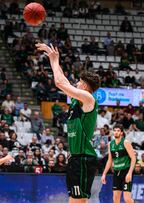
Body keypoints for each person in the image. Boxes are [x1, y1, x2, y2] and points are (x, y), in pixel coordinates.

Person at [36, 43, 100, 202]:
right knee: (74, 200)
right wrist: (53, 60)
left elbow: (60, 83)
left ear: (84, 85)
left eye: (78, 82)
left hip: (84, 159)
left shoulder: (88, 99)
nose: (76, 84)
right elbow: (62, 80)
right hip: (76, 158)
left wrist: (54, 61)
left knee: (78, 200)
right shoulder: (76, 102)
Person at [101, 124, 136, 203]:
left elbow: (133, 158)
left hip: (126, 171)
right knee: (115, 199)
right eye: (115, 130)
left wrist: (130, 173)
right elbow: (110, 160)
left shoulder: (126, 142)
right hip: (117, 172)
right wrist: (104, 174)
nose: (116, 132)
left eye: (118, 131)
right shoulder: (110, 144)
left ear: (121, 133)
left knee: (127, 199)